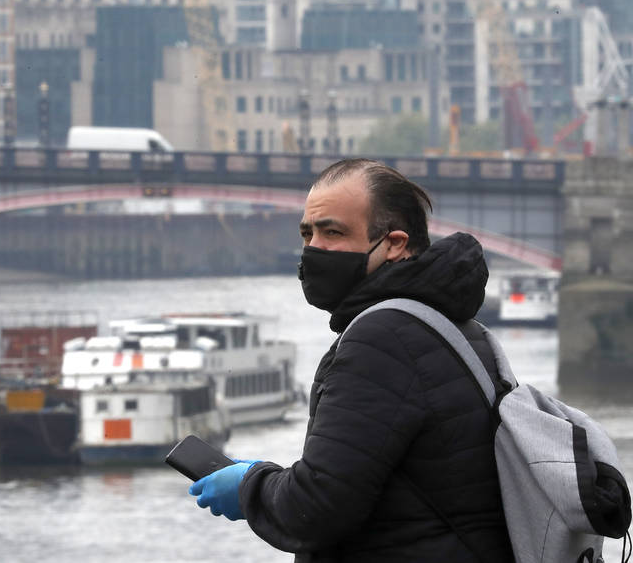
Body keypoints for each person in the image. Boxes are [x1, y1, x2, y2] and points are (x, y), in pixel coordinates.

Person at [188, 158, 514, 562]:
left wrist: (248, 488)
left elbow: (315, 508)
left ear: (394, 243)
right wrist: (275, 476)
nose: (314, 249)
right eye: (307, 233)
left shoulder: (383, 337)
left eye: (333, 232)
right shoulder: (456, 327)